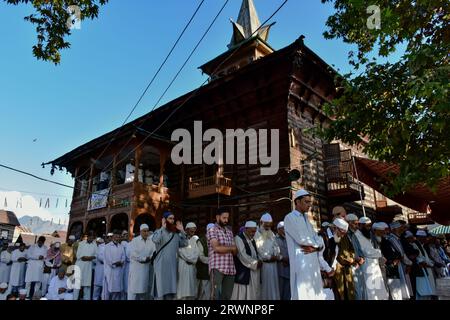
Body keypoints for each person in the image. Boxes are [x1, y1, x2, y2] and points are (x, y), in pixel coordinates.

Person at [284, 189, 325, 300]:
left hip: (313, 263)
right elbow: (302, 239)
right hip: (301, 262)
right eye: (306, 202)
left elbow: (318, 238)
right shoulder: (289, 218)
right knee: (302, 292)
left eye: (310, 202)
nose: (309, 205)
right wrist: (318, 246)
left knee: (315, 292)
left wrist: (316, 247)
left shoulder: (307, 219)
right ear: (297, 202)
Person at [152, 212, 188, 300]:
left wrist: (182, 231)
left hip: (172, 267)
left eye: (173, 219)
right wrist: (162, 227)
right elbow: (155, 240)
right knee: (160, 293)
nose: (172, 221)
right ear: (164, 220)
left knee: (170, 293)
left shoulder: (176, 234)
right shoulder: (158, 231)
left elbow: (185, 243)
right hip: (161, 267)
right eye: (170, 218)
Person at [207, 207, 237, 300]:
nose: (226, 220)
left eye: (227, 218)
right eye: (224, 218)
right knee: (215, 296)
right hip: (217, 268)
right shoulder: (212, 230)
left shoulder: (229, 232)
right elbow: (216, 248)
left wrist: (229, 248)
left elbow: (235, 251)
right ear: (217, 217)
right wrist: (231, 248)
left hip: (230, 268)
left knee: (227, 296)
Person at [355, 217, 389, 300]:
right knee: (370, 290)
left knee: (378, 290)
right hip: (367, 266)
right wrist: (379, 252)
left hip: (374, 265)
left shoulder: (367, 234)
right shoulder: (357, 235)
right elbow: (366, 252)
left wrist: (377, 253)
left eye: (369, 226)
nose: (369, 228)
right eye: (367, 226)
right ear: (360, 225)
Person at [231, 221, 261, 300]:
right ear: (246, 229)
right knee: (242, 294)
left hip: (253, 271)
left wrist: (259, 260)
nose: (253, 233)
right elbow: (242, 255)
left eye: (254, 231)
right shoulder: (238, 238)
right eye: (251, 231)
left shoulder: (252, 239)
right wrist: (255, 263)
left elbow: (255, 252)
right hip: (243, 270)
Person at [254, 213, 281, 300]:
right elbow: (260, 250)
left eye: (269, 225)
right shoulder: (257, 234)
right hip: (264, 266)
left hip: (273, 265)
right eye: (266, 225)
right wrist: (269, 257)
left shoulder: (271, 233)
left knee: (273, 287)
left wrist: (276, 254)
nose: (267, 227)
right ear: (261, 222)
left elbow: (276, 246)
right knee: (264, 287)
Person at [386, 221, 413, 299]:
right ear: (394, 229)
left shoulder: (396, 238)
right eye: (400, 229)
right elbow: (401, 254)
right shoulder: (392, 238)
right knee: (398, 290)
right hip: (397, 265)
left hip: (401, 264)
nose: (402, 230)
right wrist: (409, 263)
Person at [128, 224, 155, 300]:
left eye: (147, 231)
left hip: (146, 269)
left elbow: (154, 251)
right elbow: (133, 254)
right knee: (133, 291)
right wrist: (143, 259)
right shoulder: (135, 240)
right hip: (136, 270)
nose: (146, 233)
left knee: (144, 291)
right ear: (140, 232)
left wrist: (150, 258)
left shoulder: (151, 241)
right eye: (144, 231)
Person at [330, 218, 356, 300]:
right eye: (342, 232)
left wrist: (351, 258)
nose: (343, 235)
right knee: (338, 293)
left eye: (345, 233)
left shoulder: (345, 237)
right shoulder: (327, 237)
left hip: (347, 268)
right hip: (335, 270)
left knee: (349, 293)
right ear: (335, 228)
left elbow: (352, 249)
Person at [177, 222, 199, 300]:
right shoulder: (180, 237)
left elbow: (197, 252)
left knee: (191, 287)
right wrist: (190, 259)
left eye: (194, 230)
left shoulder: (194, 239)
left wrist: (192, 260)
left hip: (192, 266)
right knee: (182, 287)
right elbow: (180, 251)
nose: (193, 232)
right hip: (183, 265)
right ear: (186, 230)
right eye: (191, 230)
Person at [345, 214, 366, 300]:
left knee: (362, 288)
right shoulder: (345, 234)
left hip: (359, 264)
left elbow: (359, 249)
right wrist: (356, 259)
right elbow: (346, 252)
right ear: (348, 223)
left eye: (357, 224)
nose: (357, 226)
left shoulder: (354, 234)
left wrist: (362, 258)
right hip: (352, 265)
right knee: (356, 289)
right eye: (355, 224)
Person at [103, 230, 125, 300]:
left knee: (117, 290)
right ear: (113, 237)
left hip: (118, 271)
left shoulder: (121, 246)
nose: (117, 238)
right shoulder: (107, 246)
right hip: (110, 271)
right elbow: (108, 259)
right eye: (116, 236)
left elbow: (123, 257)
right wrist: (115, 263)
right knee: (108, 290)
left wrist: (121, 262)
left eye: (119, 237)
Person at [74, 232, 97, 300]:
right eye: (90, 237)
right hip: (80, 265)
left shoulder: (94, 245)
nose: (91, 239)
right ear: (88, 237)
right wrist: (89, 258)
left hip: (88, 267)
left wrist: (89, 258)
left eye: (93, 237)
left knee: (87, 286)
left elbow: (96, 256)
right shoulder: (81, 243)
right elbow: (78, 256)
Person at [196, 223, 214, 300]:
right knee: (203, 293)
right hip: (203, 271)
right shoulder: (200, 241)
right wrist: (213, 261)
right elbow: (201, 257)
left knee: (211, 293)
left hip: (213, 272)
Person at [121, 230, 130, 300]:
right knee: (124, 284)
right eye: (124, 234)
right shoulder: (122, 244)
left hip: (129, 267)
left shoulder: (129, 243)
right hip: (123, 266)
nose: (126, 235)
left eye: (127, 234)